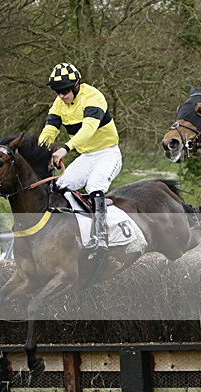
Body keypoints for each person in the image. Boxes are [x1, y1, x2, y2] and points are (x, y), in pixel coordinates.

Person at [38, 62, 121, 253]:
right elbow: (49, 131)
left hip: (108, 153)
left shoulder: (93, 96)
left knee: (94, 185)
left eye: (65, 91)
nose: (62, 96)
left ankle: (101, 236)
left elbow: (88, 129)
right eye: (57, 92)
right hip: (87, 156)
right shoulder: (59, 104)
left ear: (76, 85)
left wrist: (64, 149)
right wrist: (41, 151)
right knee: (58, 187)